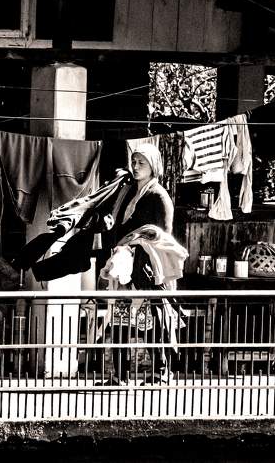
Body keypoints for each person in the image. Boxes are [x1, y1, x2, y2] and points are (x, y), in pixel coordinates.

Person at [96, 143, 187, 386]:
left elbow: (163, 237)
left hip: (147, 271)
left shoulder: (158, 195)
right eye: (133, 162)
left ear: (153, 166)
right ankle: (119, 376)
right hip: (124, 268)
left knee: (152, 324)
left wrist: (138, 243)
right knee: (119, 324)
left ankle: (161, 372)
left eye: (141, 163)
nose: (135, 167)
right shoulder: (127, 193)